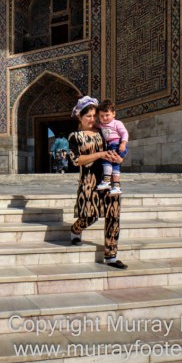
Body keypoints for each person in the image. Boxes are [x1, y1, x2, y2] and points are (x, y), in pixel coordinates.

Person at [67, 95, 127, 269]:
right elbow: (76, 160)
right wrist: (100, 155)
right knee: (89, 216)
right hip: (89, 181)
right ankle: (76, 229)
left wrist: (120, 158)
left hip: (109, 180)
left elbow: (116, 146)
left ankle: (111, 256)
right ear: (79, 116)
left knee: (113, 216)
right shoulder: (75, 137)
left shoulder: (103, 130)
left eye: (94, 116)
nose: (92, 119)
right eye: (88, 116)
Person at [95, 99, 128, 195]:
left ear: (113, 114)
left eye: (107, 115)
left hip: (117, 144)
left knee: (107, 159)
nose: (104, 118)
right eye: (101, 116)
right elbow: (94, 124)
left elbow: (124, 133)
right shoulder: (101, 125)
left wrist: (123, 143)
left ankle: (106, 181)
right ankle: (116, 186)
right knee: (115, 165)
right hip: (110, 145)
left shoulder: (117, 123)